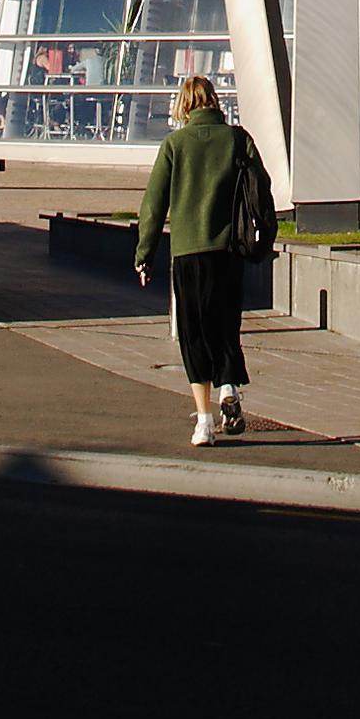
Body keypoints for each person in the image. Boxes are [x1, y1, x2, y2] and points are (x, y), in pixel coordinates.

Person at [132, 74, 275, 448]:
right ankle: (229, 387)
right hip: (228, 253)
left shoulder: (174, 145)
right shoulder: (238, 139)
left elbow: (153, 206)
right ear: (214, 101)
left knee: (194, 335)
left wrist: (144, 253)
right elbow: (263, 189)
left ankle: (205, 423)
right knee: (224, 327)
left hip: (188, 254)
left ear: (183, 105)